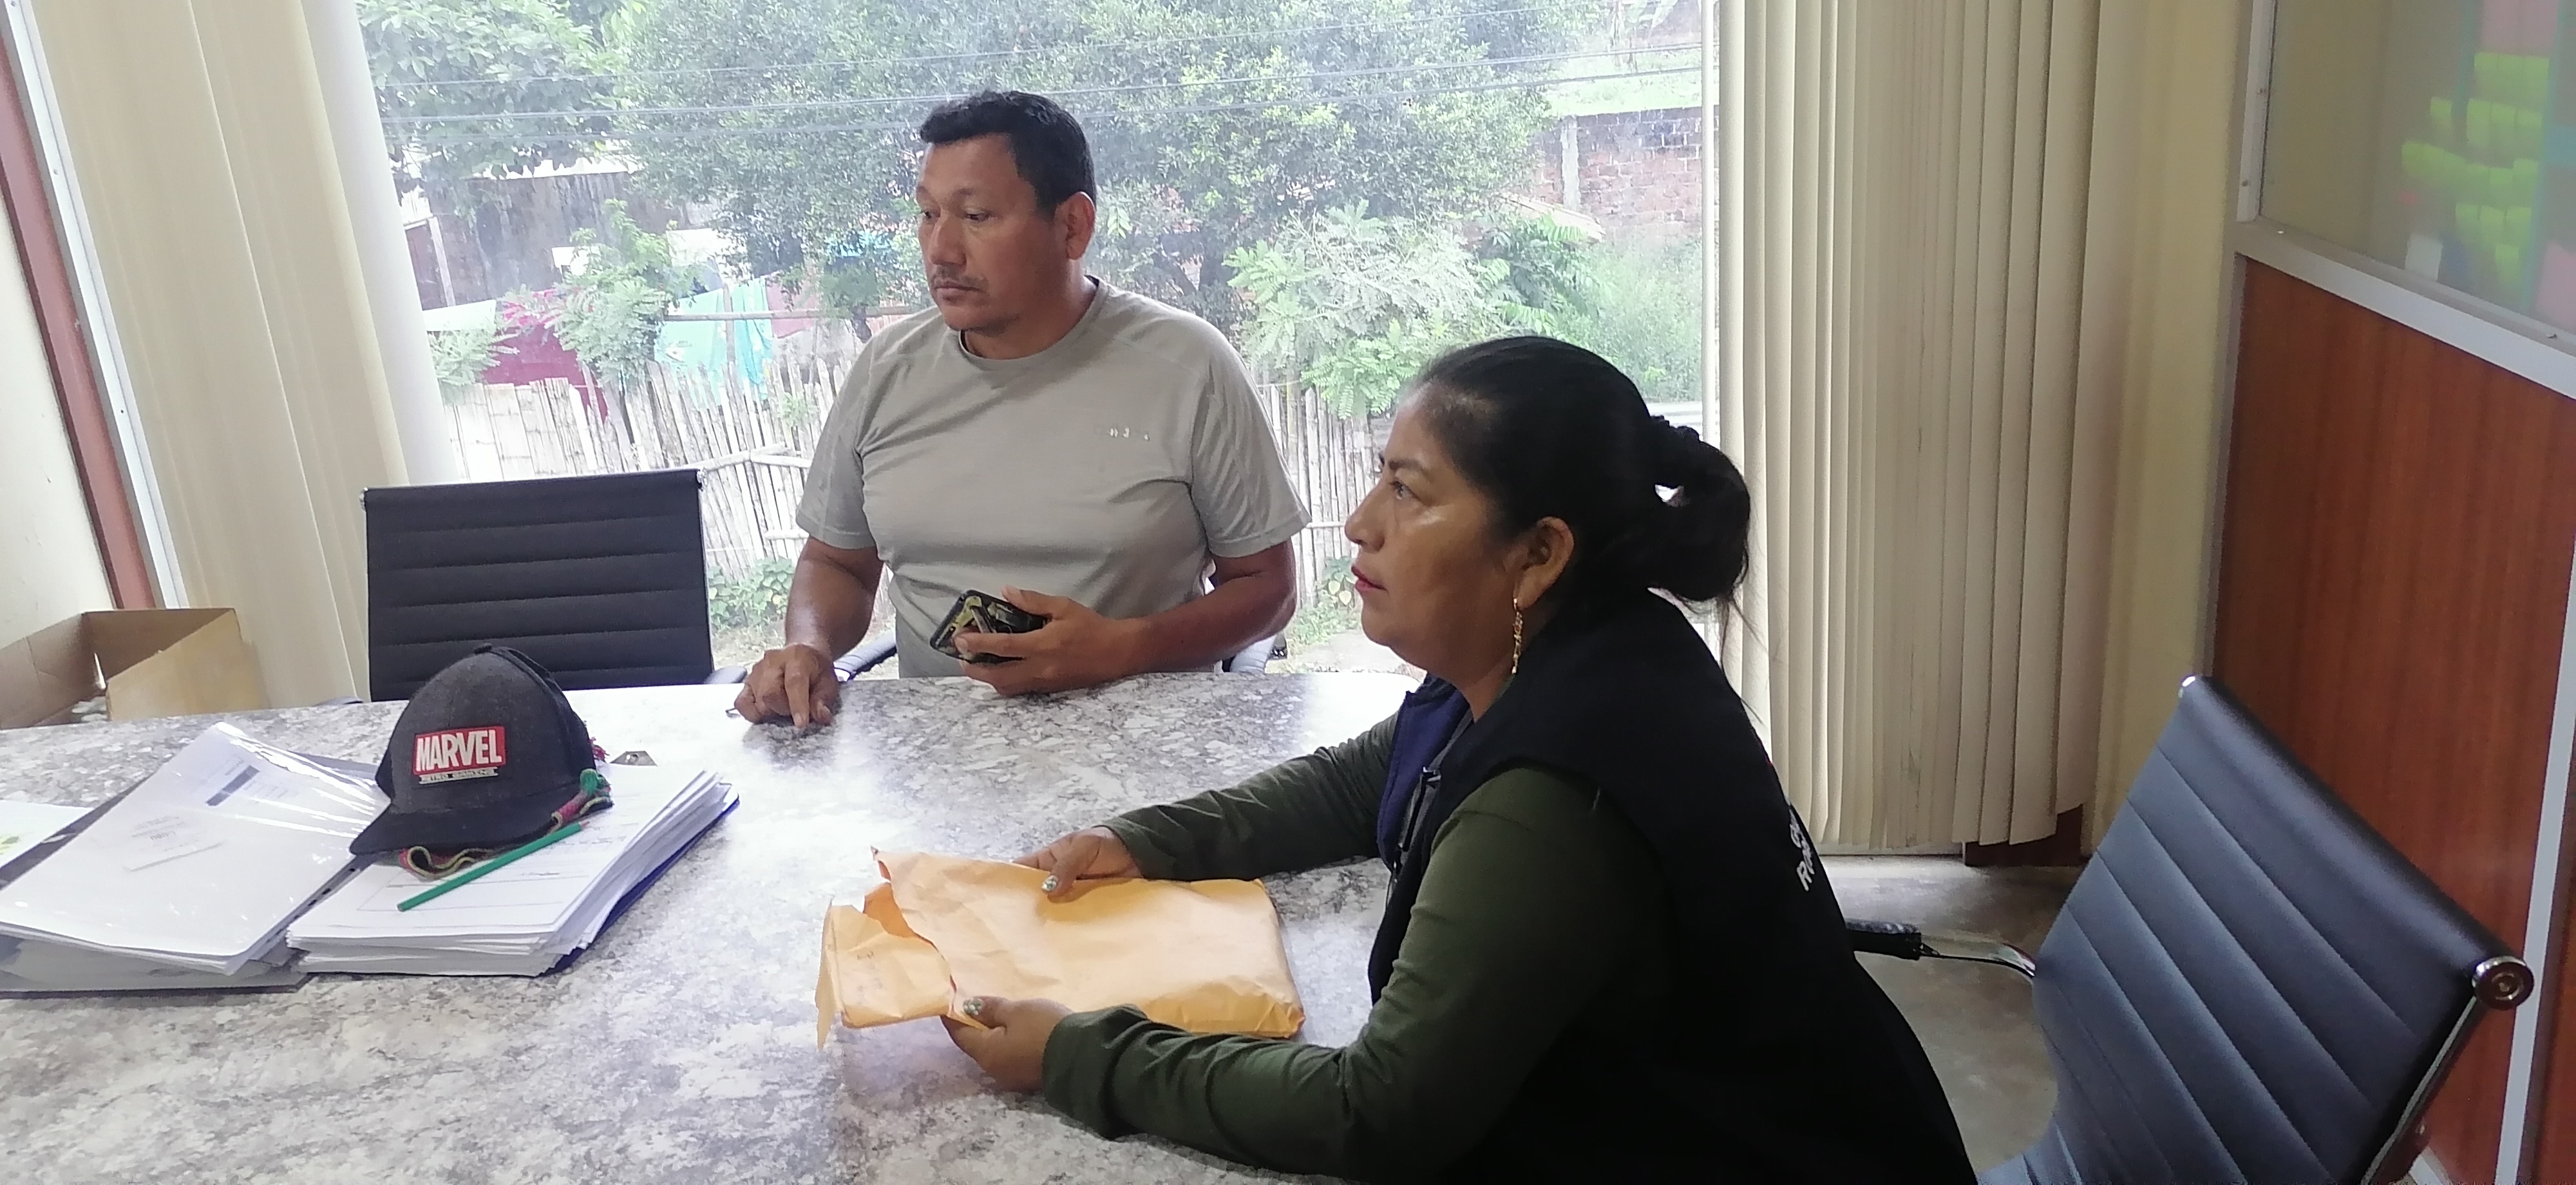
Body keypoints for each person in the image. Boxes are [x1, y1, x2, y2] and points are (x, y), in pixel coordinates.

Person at [942, 337, 1975, 1182]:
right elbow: (1367, 778)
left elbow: (1378, 1114)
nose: (1361, 524)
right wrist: (1146, 842)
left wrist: (1078, 1054)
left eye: (1409, 492)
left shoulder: (1552, 804)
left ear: (1539, 553)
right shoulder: (1566, 643)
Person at [734, 91, 1305, 726]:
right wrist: (809, 647)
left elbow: (1268, 588)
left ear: (1073, 226)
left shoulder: (1188, 365)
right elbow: (836, 562)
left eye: (975, 216)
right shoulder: (886, 370)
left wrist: (1125, 647)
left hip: (1143, 741)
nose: (941, 249)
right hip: (936, 750)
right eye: (927, 214)